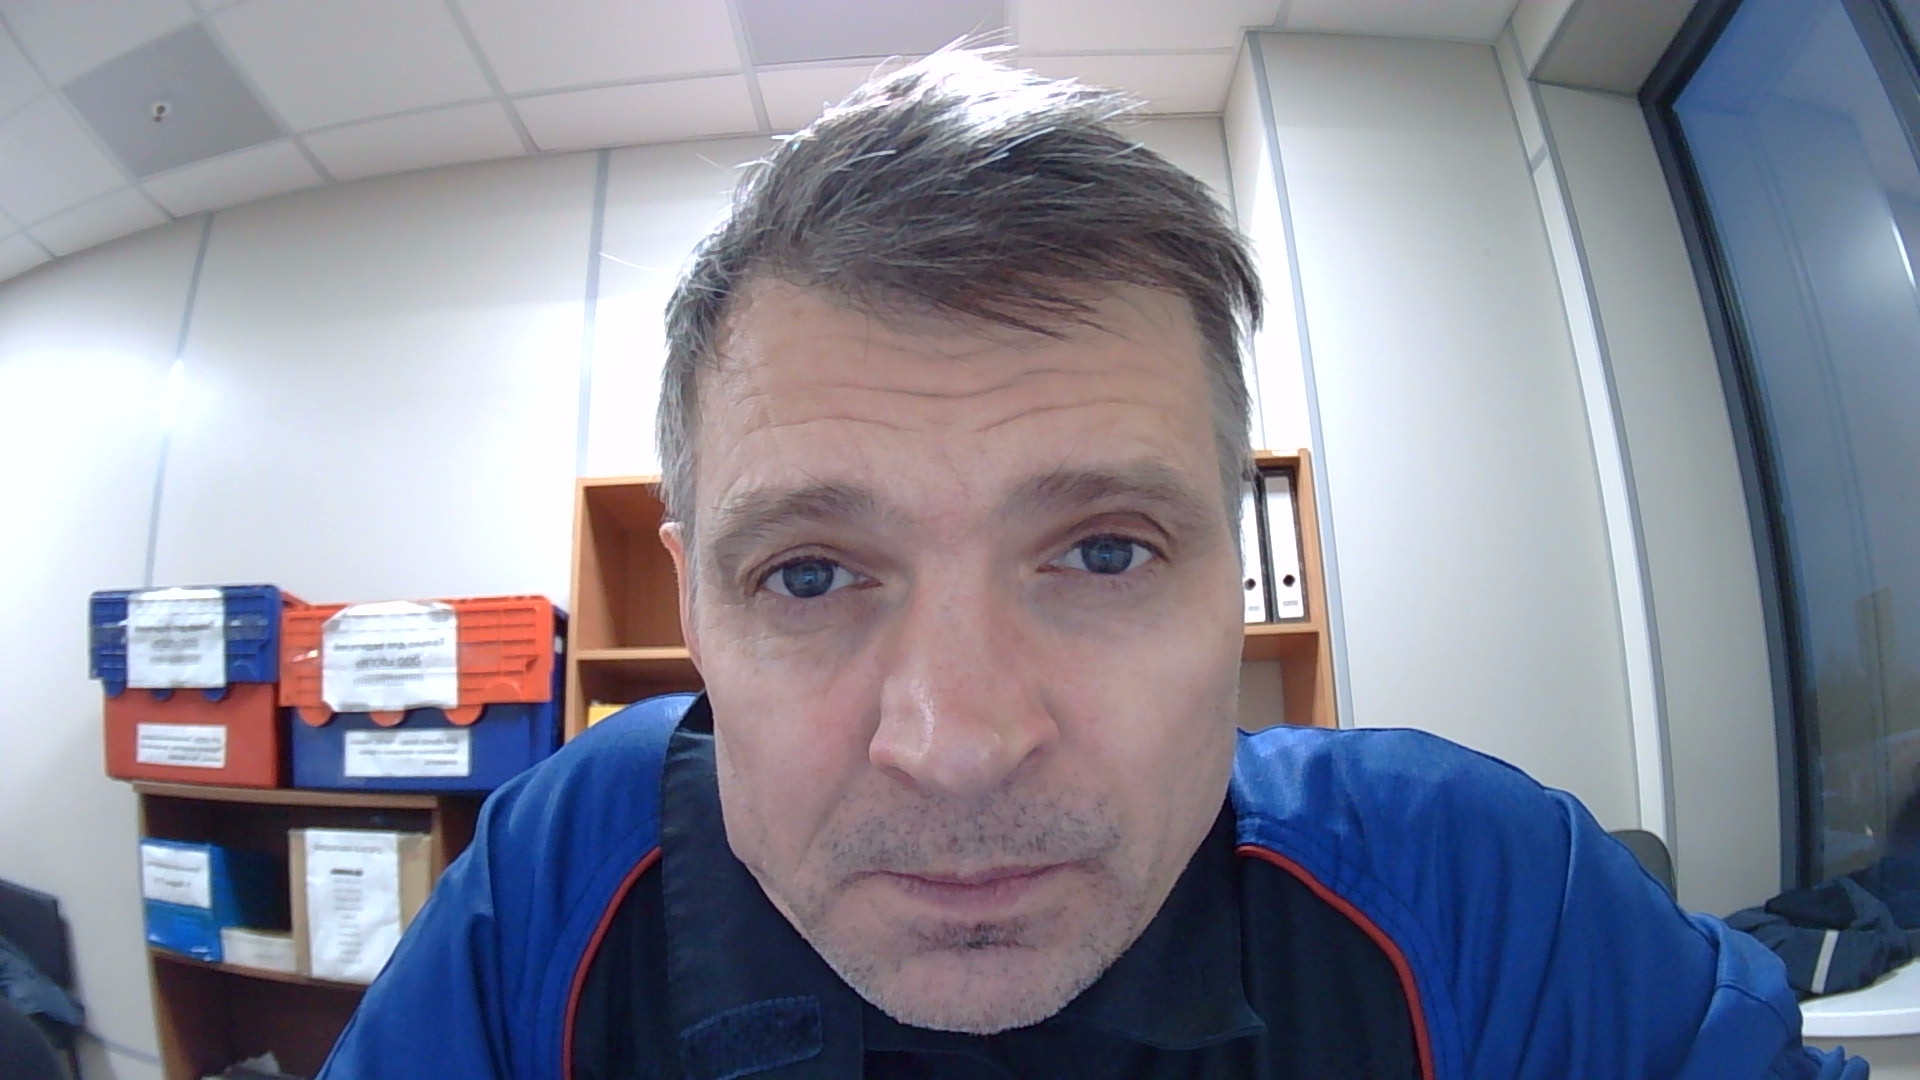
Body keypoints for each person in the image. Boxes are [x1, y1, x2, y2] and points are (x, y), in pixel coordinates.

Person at [317, 52, 1866, 1079]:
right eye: (809, 575)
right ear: (692, 613)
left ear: (1234, 576)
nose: (959, 744)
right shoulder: (555, 888)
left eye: (1105, 550)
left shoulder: (1481, 891)